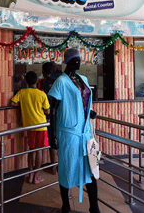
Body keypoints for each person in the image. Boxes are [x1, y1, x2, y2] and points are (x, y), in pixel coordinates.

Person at [48, 49, 100, 213]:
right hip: (68, 135)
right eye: (75, 59)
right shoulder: (61, 82)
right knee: (66, 170)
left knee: (91, 170)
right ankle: (65, 205)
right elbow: (54, 110)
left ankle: (95, 207)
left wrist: (89, 112)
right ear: (69, 61)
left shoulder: (82, 79)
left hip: (85, 134)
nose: (79, 62)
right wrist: (52, 135)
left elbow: (83, 102)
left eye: (79, 59)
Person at [11, 71, 50, 184]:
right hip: (41, 125)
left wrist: (23, 104)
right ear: (37, 81)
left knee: (31, 150)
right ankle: (37, 176)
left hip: (29, 126)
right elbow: (47, 111)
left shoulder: (22, 93)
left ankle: (31, 175)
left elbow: (12, 103)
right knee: (39, 152)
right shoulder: (42, 94)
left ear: (26, 81)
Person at [37, 61, 59, 174]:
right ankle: (54, 167)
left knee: (45, 140)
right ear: (53, 71)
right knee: (54, 140)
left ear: (43, 71)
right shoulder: (56, 82)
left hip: (44, 115)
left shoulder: (40, 82)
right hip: (56, 114)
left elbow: (39, 97)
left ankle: (49, 167)